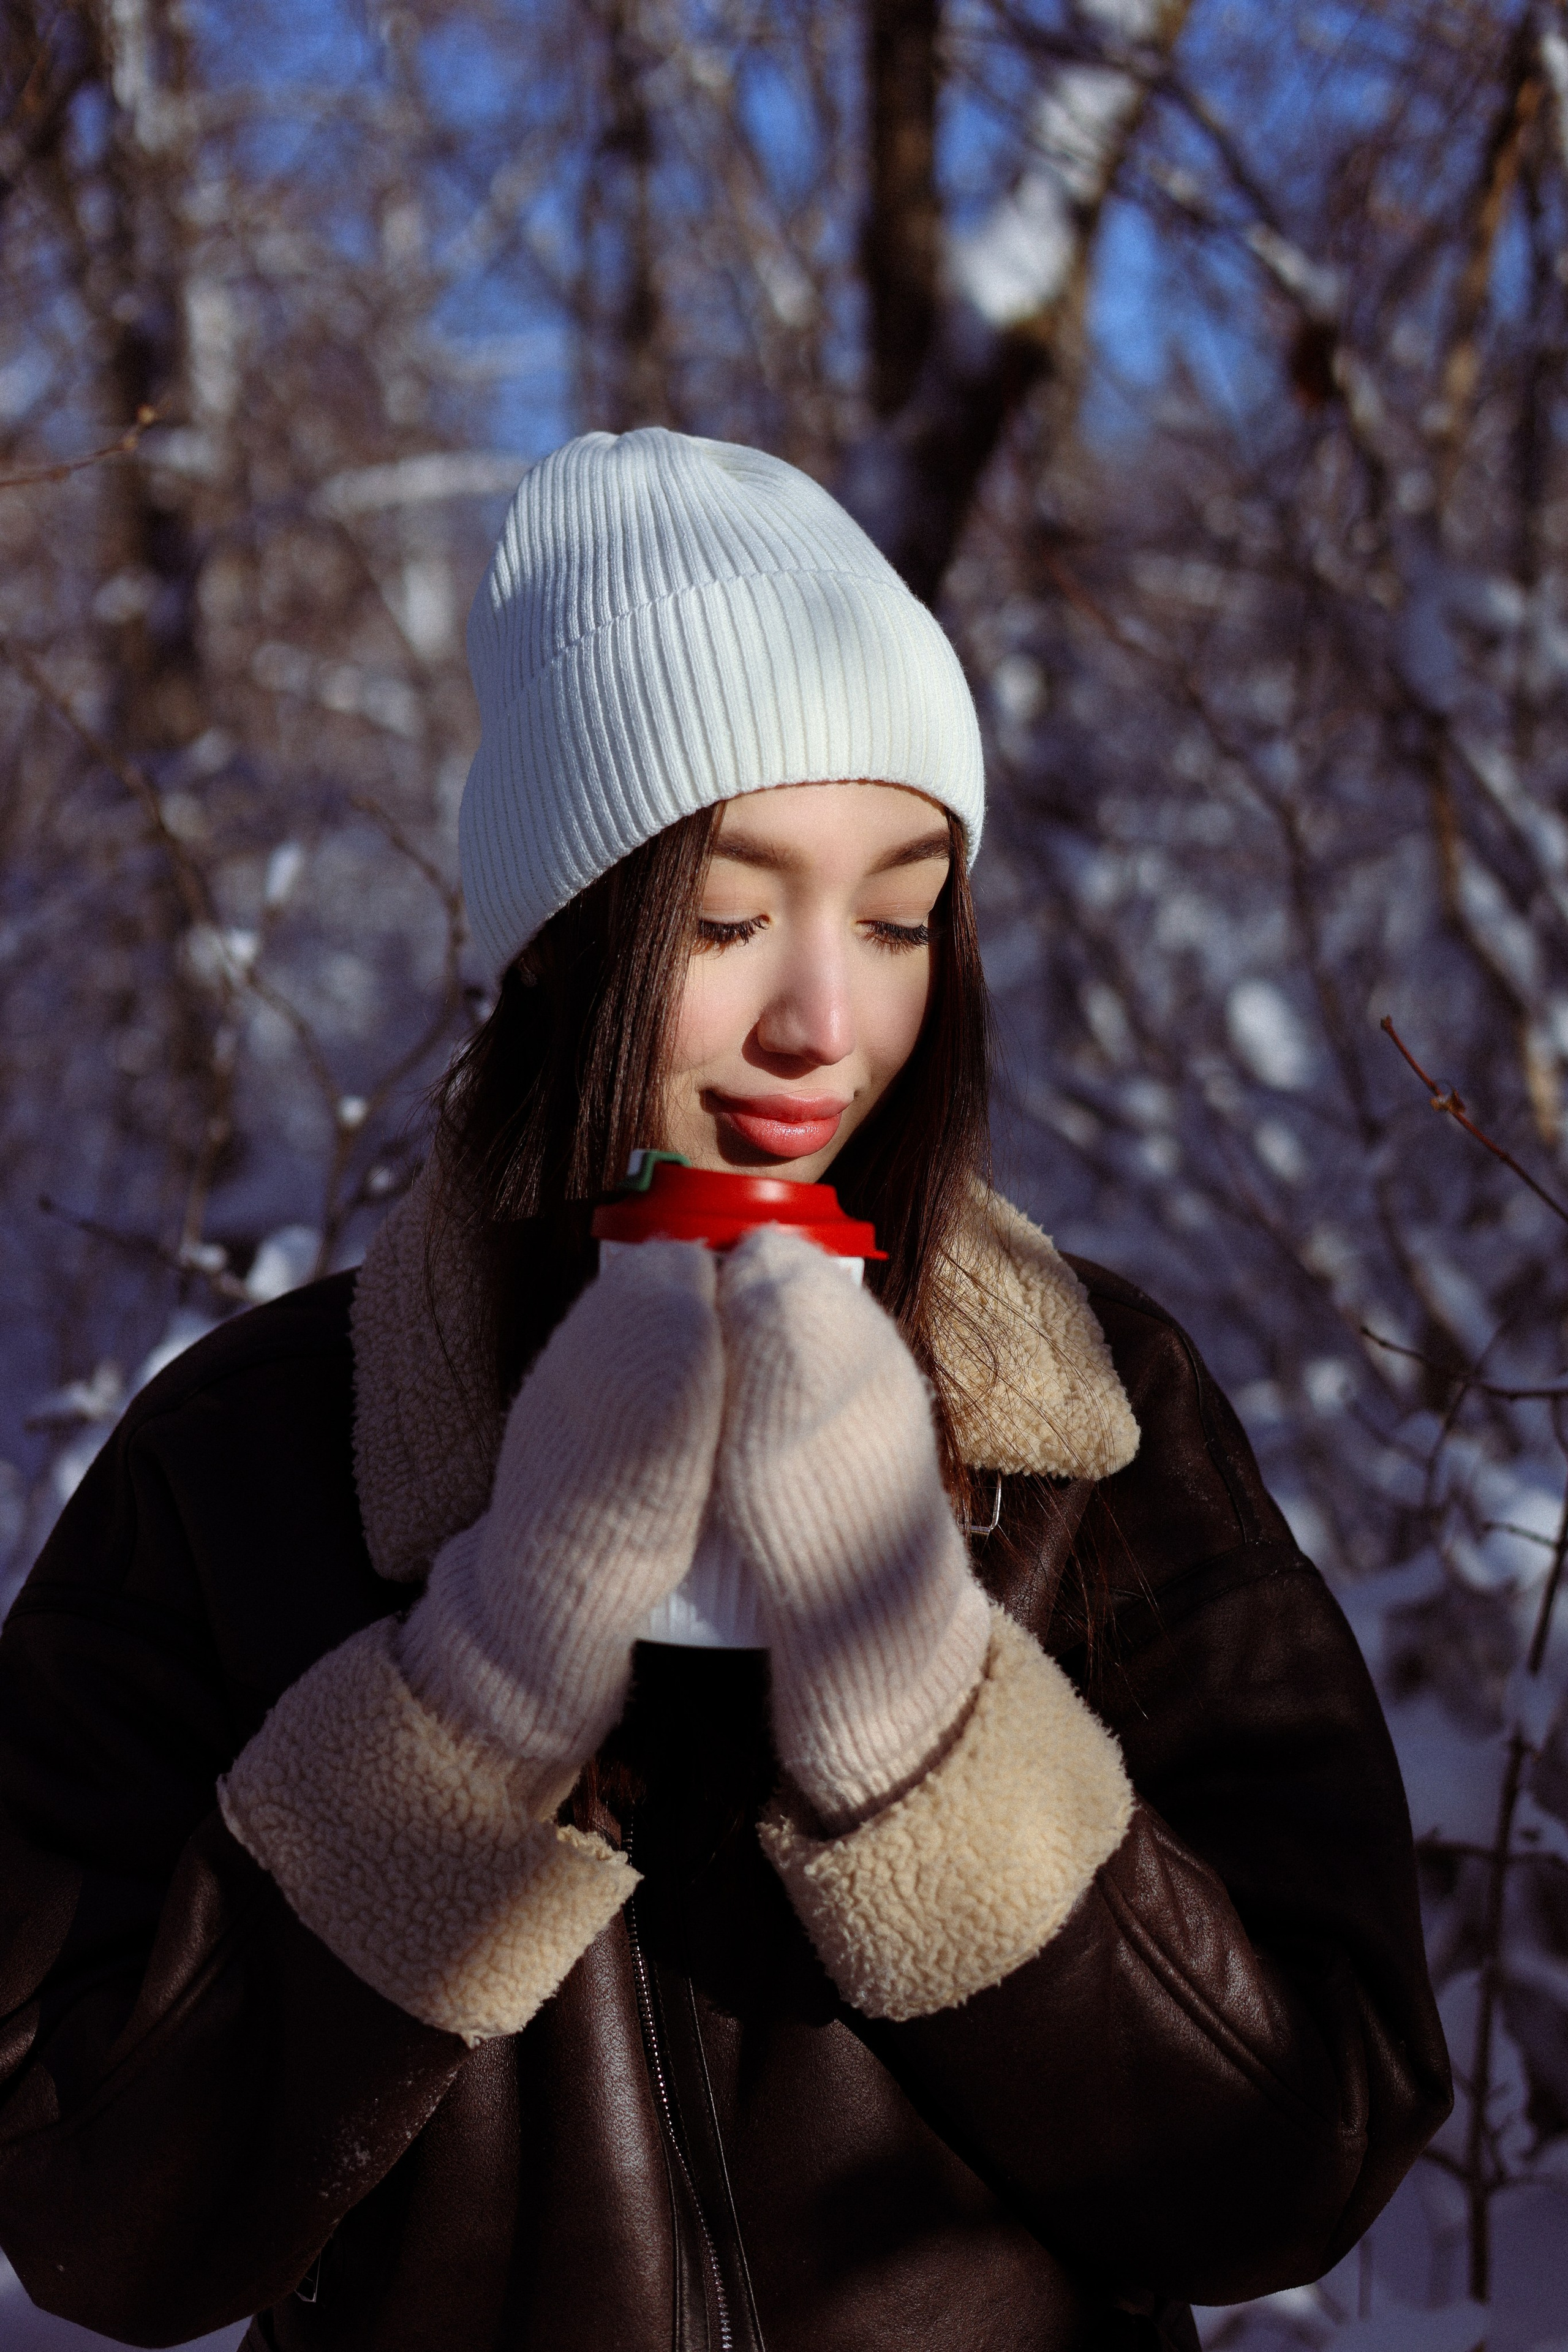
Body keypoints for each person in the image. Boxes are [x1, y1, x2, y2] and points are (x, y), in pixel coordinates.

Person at [0, 428, 1449, 2352]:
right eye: (726, 916)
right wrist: (490, 1685)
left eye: (900, 913)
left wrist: (920, 1703)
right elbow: (98, 2225)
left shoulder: (1087, 1426)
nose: (822, 1023)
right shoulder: (252, 1464)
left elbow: (1302, 2166)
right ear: (563, 938)